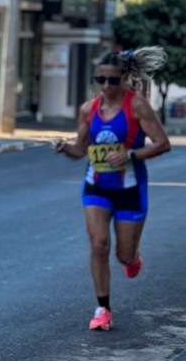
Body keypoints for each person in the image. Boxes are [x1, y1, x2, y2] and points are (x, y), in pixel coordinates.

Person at [52, 47, 171, 332]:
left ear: (123, 79)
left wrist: (129, 155)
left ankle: (132, 258)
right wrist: (64, 147)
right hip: (97, 186)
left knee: (123, 256)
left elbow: (162, 143)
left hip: (129, 187)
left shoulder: (137, 106)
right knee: (99, 244)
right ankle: (103, 309)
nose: (106, 86)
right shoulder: (88, 109)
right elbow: (81, 148)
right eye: (101, 80)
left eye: (113, 80)